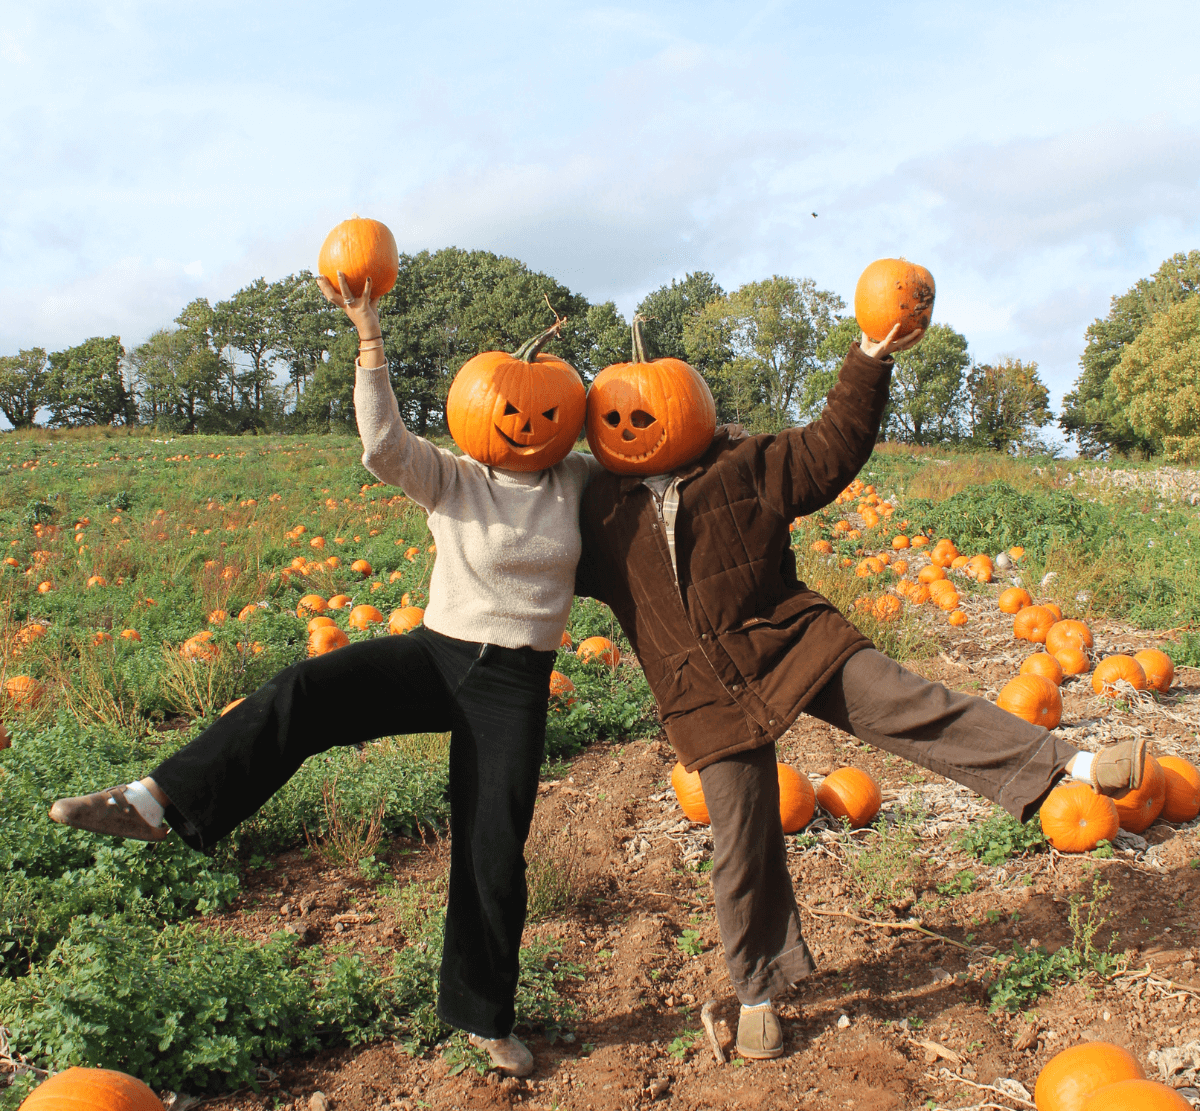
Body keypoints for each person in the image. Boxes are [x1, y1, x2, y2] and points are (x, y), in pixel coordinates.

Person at [49, 273, 602, 1078]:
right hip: (435, 654)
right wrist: (369, 340)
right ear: (481, 409)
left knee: (493, 850)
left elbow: (653, 450)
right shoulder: (453, 474)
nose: (526, 423)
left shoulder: (578, 479)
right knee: (301, 691)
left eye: (546, 412)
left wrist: (720, 438)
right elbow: (382, 447)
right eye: (513, 410)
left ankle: (483, 1016)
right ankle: (155, 801)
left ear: (570, 416)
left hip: (513, 685)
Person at [575, 319, 1144, 1061]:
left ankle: (1075, 765)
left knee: (911, 704)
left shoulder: (747, 464)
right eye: (612, 420)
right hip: (702, 692)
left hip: (792, 641)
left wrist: (869, 359)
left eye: (643, 415)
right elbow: (522, 526)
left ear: (691, 409)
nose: (629, 428)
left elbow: (831, 447)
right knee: (741, 844)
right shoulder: (596, 510)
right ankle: (756, 995)